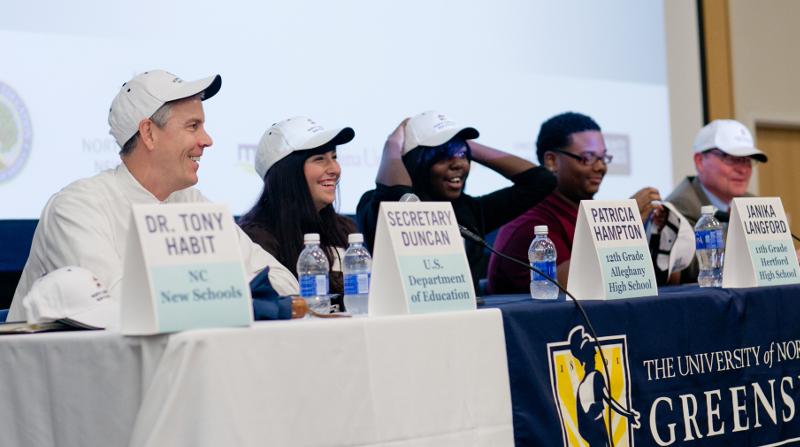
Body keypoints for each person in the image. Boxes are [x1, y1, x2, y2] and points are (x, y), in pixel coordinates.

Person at [7, 70, 298, 322]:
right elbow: (113, 309)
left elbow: (285, 284)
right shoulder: (77, 208)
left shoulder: (192, 202)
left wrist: (213, 293)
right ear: (148, 133)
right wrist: (223, 291)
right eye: (193, 126)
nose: (206, 140)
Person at [356, 110, 557, 288]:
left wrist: (464, 144)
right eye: (443, 155)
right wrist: (392, 146)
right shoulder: (373, 204)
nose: (459, 164)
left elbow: (541, 181)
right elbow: (396, 194)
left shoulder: (471, 209)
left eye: (462, 155)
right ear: (416, 162)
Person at [486, 112, 668, 294]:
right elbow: (571, 287)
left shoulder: (589, 211)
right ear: (551, 161)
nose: (600, 167)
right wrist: (623, 220)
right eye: (587, 158)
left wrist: (659, 237)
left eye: (603, 158)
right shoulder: (529, 224)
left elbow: (664, 278)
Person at [239, 117, 359, 311]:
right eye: (319, 159)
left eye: (334, 157)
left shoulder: (345, 228)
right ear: (287, 172)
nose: (335, 169)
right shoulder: (256, 237)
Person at [665, 119, 768, 284]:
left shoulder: (753, 203)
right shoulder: (680, 206)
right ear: (700, 161)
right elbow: (698, 267)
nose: (742, 169)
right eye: (731, 158)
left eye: (747, 160)